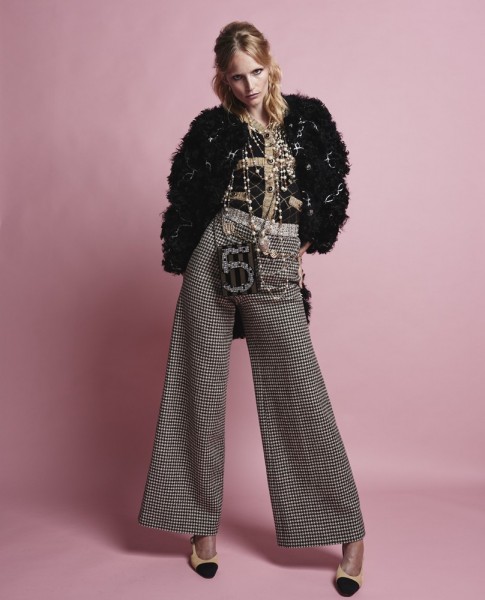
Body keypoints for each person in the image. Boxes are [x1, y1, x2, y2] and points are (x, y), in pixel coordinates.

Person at [138, 21, 365, 597]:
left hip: (275, 257)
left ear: (271, 64)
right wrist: (189, 252)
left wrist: (300, 246)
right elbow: (185, 198)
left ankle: (347, 532)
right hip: (216, 254)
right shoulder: (211, 129)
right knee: (196, 386)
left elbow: (333, 191)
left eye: (257, 71)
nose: (250, 86)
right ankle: (200, 529)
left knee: (298, 392)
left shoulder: (308, 120)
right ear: (223, 78)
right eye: (237, 77)